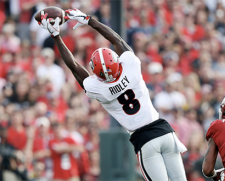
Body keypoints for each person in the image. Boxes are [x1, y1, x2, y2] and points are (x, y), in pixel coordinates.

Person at [37, 9, 187, 181]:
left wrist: (56, 36)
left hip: (145, 140)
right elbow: (118, 40)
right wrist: (89, 20)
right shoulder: (131, 66)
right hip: (165, 131)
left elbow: (74, 66)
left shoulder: (100, 88)